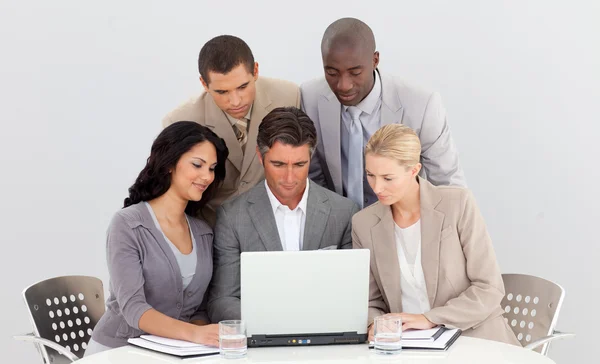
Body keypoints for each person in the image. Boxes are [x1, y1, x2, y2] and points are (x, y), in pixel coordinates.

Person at [352, 124, 519, 345]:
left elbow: (489, 287)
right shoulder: (363, 223)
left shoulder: (458, 204)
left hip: (476, 340)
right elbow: (370, 301)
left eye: (388, 178)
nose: (377, 187)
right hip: (409, 347)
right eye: (370, 175)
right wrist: (375, 325)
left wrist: (430, 319)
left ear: (414, 170)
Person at [85, 121, 230, 356]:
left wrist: (200, 338)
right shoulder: (128, 224)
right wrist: (193, 335)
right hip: (117, 352)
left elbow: (200, 309)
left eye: (212, 168)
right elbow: (133, 309)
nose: (207, 176)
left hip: (171, 353)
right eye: (198, 165)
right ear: (170, 164)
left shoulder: (203, 232)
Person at [207, 106, 359, 323]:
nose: (289, 178)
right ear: (260, 157)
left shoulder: (343, 212)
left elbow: (350, 295)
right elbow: (222, 300)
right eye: (278, 164)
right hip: (261, 341)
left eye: (299, 164)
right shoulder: (232, 216)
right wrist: (275, 322)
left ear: (311, 156)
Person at [301, 17, 465, 209]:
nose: (343, 85)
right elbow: (313, 179)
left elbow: (448, 185)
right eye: (332, 72)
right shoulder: (310, 98)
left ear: (375, 60)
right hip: (338, 223)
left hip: (401, 220)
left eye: (355, 72)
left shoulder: (421, 105)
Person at [163, 35, 300, 226]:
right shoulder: (181, 121)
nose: (235, 101)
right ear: (204, 84)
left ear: (256, 71)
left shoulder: (288, 96)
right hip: (212, 231)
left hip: (277, 226)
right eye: (222, 92)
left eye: (243, 87)